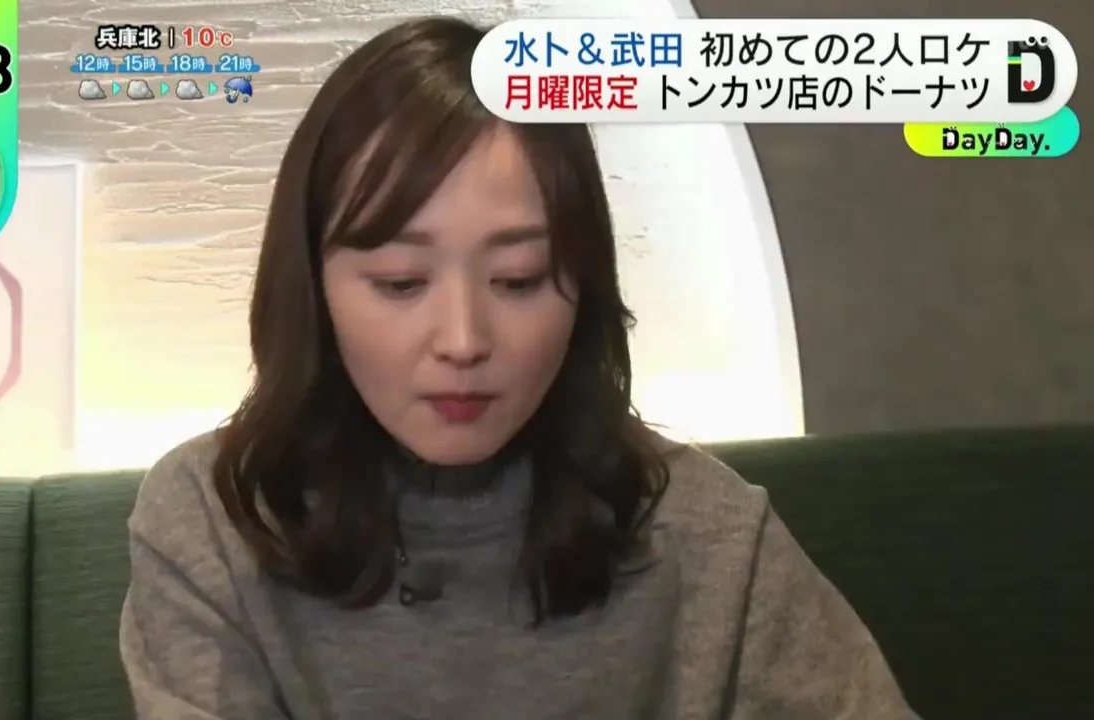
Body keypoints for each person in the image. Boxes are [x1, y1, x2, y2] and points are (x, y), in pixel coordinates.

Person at [119, 17, 916, 719]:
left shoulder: (711, 537)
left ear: (584, 286)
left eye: (519, 279)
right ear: (313, 288)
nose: (464, 340)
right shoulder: (211, 523)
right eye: (401, 282)